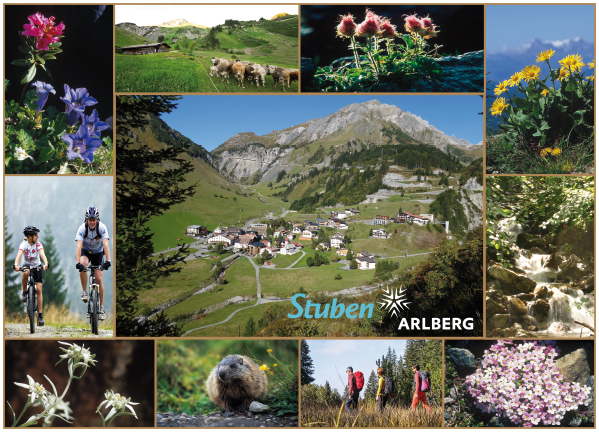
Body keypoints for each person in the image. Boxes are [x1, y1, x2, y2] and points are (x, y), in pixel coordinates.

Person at [75, 206, 111, 321]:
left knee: (99, 279)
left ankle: (101, 308)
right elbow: (78, 246)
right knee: (83, 263)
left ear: (97, 219)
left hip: (98, 253)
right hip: (86, 251)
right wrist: (78, 263)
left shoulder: (102, 227)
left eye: (93, 219)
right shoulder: (82, 229)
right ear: (86, 220)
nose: (91, 222)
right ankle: (85, 291)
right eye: (90, 220)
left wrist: (108, 261)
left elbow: (106, 245)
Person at [13, 226, 49, 326]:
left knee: (39, 289)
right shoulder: (23, 244)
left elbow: (42, 254)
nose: (37, 236)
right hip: (27, 266)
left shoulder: (38, 244)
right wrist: (16, 265)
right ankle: (24, 292)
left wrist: (46, 263)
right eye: (35, 235)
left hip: (37, 266)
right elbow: (19, 255)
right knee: (24, 272)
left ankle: (40, 316)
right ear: (29, 237)